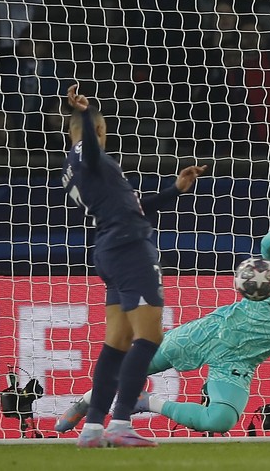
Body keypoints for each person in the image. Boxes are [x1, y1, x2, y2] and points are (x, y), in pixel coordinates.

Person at [56, 196, 270, 436]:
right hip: (211, 332)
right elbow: (267, 246)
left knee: (220, 421)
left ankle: (145, 402)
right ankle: (85, 402)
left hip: (240, 362)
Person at [61, 83, 206, 447]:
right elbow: (90, 148)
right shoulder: (87, 153)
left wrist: (175, 190)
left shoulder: (79, 169)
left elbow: (134, 208)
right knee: (149, 337)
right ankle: (122, 421)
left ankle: (93, 428)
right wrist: (82, 111)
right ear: (98, 131)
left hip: (110, 249)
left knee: (118, 342)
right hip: (129, 250)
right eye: (102, 132)